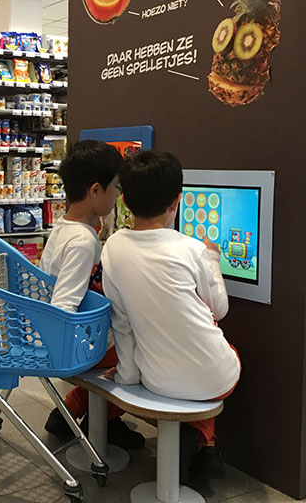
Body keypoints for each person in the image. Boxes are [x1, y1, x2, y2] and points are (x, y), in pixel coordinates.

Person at [101, 150, 241, 482]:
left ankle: (203, 445)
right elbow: (219, 309)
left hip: (156, 380)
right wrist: (211, 259)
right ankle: (206, 445)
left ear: (124, 200)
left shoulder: (113, 248)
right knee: (216, 341)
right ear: (177, 200)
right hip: (217, 379)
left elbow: (122, 325)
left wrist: (125, 377)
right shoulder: (192, 249)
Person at [41, 140, 145, 450]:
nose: (118, 196)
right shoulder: (83, 243)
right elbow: (64, 305)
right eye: (115, 188)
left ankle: (69, 412)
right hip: (78, 344)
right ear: (96, 191)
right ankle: (106, 422)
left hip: (66, 338)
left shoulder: (64, 230)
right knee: (143, 353)